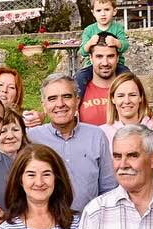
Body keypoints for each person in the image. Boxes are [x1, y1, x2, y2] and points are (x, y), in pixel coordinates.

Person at [29, 73, 115, 211]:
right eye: (52, 99)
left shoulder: (96, 136)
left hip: (89, 225)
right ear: (44, 106)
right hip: (44, 227)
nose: (60, 104)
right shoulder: (32, 139)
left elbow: (109, 189)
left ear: (77, 101)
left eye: (67, 96)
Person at [75, 36, 127, 127]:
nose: (105, 63)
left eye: (110, 56)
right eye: (99, 56)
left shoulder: (130, 92)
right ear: (91, 58)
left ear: (118, 58)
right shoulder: (79, 90)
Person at [99, 72, 153, 144]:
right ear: (113, 99)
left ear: (141, 97)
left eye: (132, 95)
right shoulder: (102, 133)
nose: (127, 101)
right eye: (120, 96)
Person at [79, 0, 129, 68]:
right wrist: (90, 43)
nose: (103, 14)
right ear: (93, 13)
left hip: (116, 65)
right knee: (80, 77)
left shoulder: (118, 28)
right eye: (98, 10)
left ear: (114, 11)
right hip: (92, 66)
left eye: (107, 9)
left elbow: (125, 46)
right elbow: (82, 52)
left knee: (127, 77)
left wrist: (116, 42)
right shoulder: (89, 30)